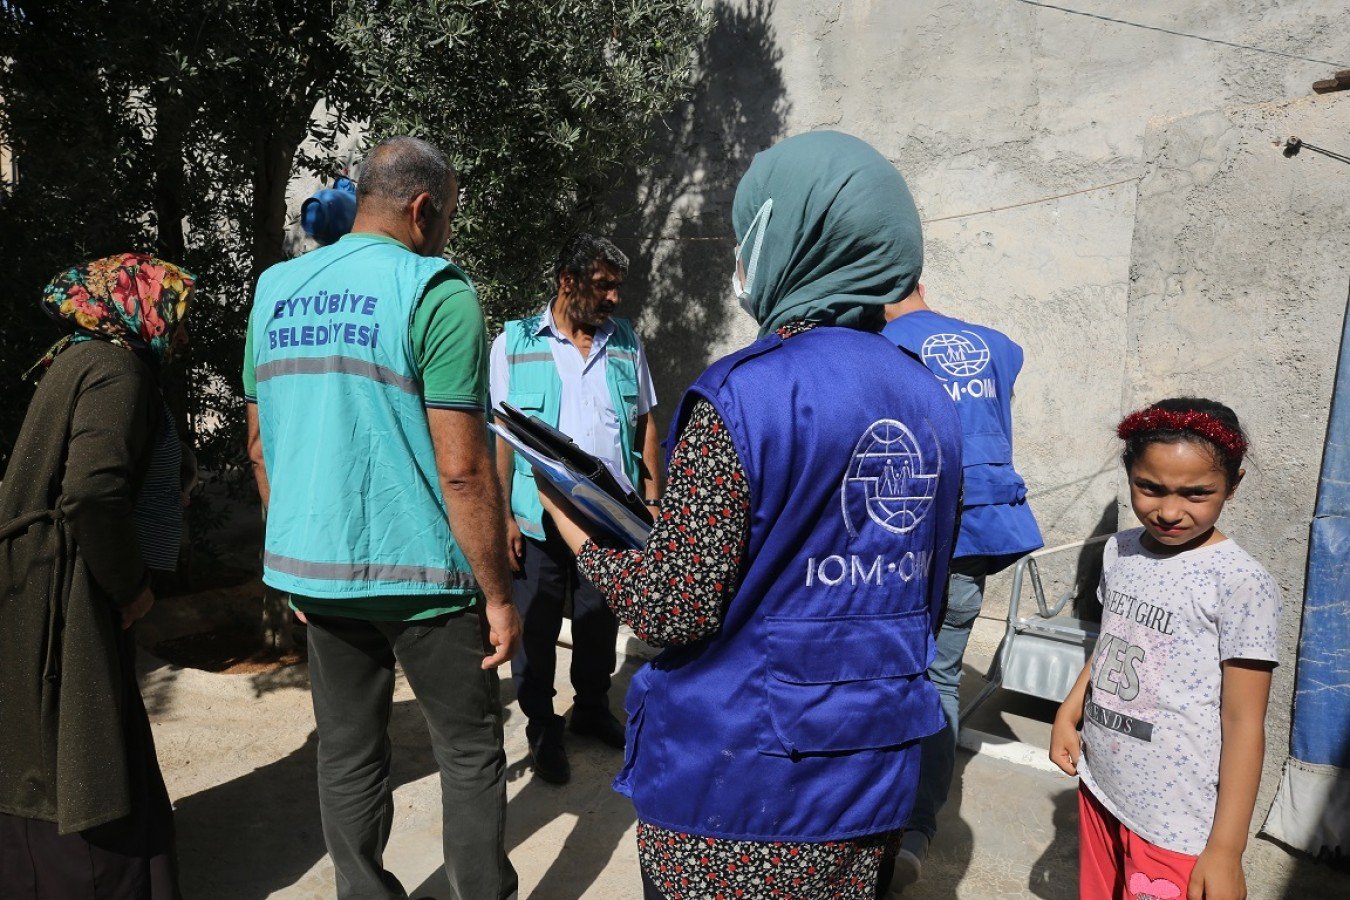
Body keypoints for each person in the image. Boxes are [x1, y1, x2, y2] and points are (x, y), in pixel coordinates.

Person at [536, 130, 964, 899]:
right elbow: (921, 598)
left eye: (745, 238)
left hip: (738, 793)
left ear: (788, 237)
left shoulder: (745, 395)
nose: (739, 260)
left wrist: (578, 531)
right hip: (870, 781)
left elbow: (674, 605)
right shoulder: (929, 397)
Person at [244, 136, 520, 900]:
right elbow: (463, 470)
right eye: (450, 216)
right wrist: (498, 595)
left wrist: (294, 553)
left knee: (348, 752)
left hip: (321, 573)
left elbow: (261, 446)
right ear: (423, 208)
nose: (449, 232)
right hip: (426, 577)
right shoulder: (435, 290)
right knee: (468, 750)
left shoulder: (275, 290)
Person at [0, 254, 195, 899]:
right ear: (138, 307)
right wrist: (129, 584)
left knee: (59, 744)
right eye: (177, 312)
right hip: (67, 591)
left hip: (44, 581)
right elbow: (91, 491)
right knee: (79, 756)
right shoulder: (117, 370)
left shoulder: (79, 360)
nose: (184, 331)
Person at [1050, 398, 1279, 900]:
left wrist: (1225, 850)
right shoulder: (1120, 549)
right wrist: (1069, 712)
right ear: (1129, 472)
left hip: (1176, 824)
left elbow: (1245, 722)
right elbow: (1112, 640)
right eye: (1149, 487)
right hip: (1102, 787)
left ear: (1233, 485)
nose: (1170, 511)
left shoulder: (1240, 583)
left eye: (1197, 494)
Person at [880, 285, 1044, 884]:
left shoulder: (879, 344)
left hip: (906, 533)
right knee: (942, 677)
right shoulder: (997, 345)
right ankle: (917, 833)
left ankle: (872, 823)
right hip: (976, 529)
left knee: (884, 672)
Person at [489, 233, 661, 785]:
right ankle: (542, 726)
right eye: (602, 285)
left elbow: (644, 423)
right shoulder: (514, 342)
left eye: (617, 286)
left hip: (606, 520)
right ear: (568, 281)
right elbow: (499, 436)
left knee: (596, 623)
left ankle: (590, 708)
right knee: (536, 628)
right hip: (537, 519)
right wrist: (502, 517)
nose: (613, 298)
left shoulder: (627, 341)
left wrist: (652, 501)